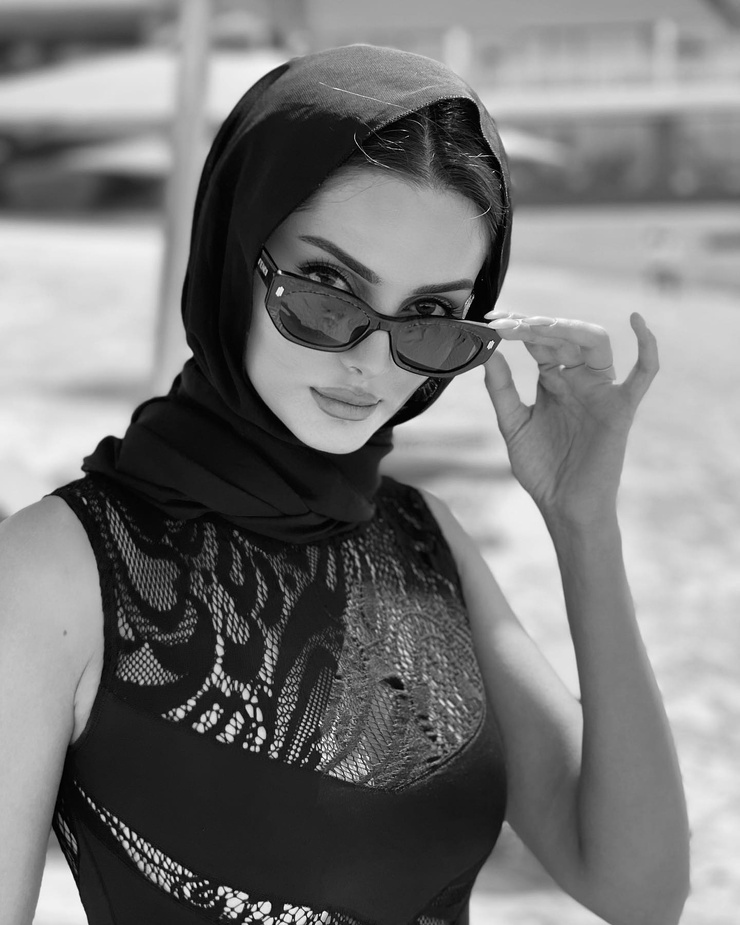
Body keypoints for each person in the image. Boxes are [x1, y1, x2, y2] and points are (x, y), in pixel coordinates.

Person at [0, 44, 689, 925]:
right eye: (327, 289)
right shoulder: (56, 570)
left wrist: (584, 523)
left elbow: (640, 890)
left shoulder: (423, 539)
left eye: (430, 316)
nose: (371, 361)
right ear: (235, 252)